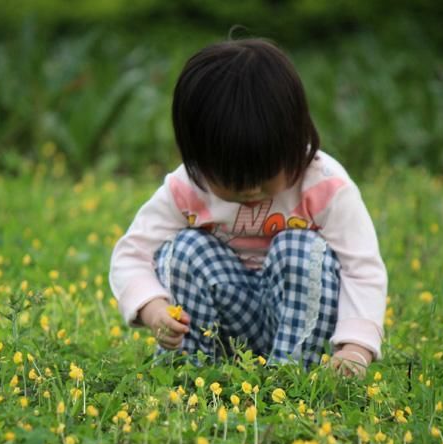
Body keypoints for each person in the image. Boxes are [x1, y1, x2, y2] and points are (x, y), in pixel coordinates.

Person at [109, 38, 387, 377]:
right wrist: (153, 308)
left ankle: (290, 376)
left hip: (298, 321)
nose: (253, 190)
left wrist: (356, 345)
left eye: (266, 175)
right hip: (226, 323)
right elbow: (131, 254)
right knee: (185, 249)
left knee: (298, 246)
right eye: (232, 180)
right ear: (197, 157)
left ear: (294, 141)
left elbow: (362, 267)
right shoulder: (188, 187)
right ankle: (188, 370)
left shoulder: (323, 187)